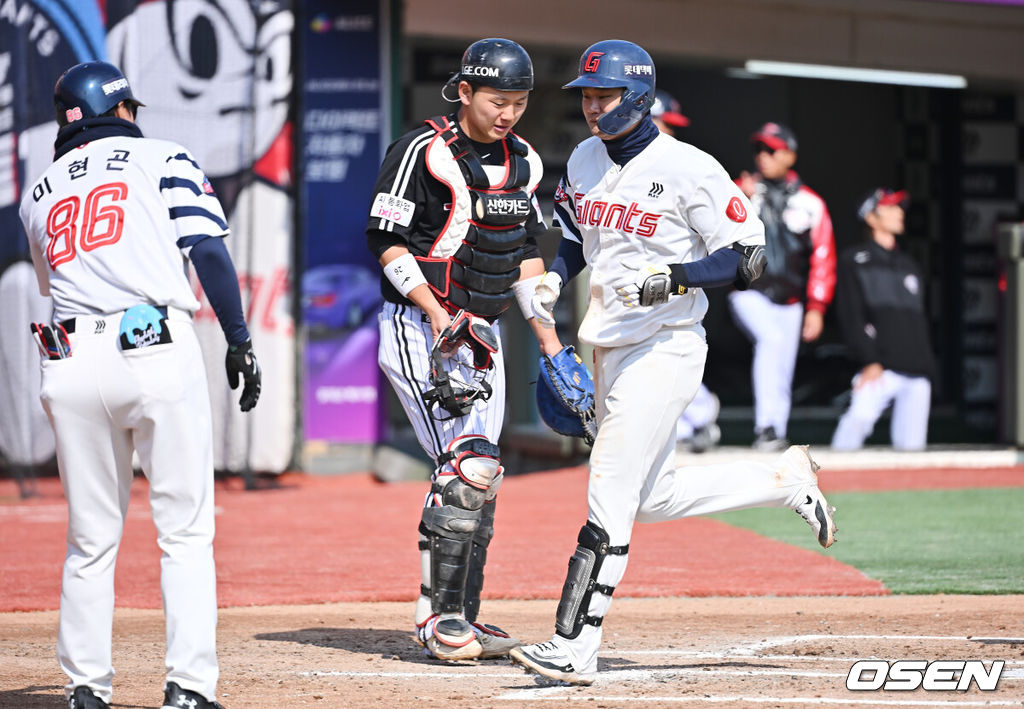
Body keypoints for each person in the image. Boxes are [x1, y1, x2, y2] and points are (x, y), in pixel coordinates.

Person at [509, 39, 838, 686]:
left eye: (604, 96)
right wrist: (552, 276)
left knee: (607, 484)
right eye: (587, 95)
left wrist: (677, 277)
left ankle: (574, 642)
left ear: (637, 97)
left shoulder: (691, 167)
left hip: (666, 346)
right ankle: (783, 479)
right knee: (650, 497)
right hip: (607, 344)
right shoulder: (582, 157)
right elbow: (577, 235)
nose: (593, 107)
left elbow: (749, 258)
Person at [19, 61, 261, 709]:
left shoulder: (37, 189)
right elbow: (207, 249)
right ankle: (187, 686)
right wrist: (239, 338)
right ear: (119, 108)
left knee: (90, 538)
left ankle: (86, 690)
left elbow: (50, 283)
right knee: (183, 529)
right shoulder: (163, 156)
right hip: (148, 341)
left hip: (67, 356)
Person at [365, 38, 561, 662]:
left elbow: (525, 253)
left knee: (483, 474)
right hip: (418, 322)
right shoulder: (421, 150)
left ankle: (463, 616)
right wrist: (436, 314)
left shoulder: (525, 161)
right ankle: (442, 619)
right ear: (466, 92)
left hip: (485, 328)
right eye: (498, 100)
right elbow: (385, 240)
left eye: (520, 102)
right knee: (467, 464)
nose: (508, 113)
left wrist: (552, 346)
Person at [729, 122, 836, 451]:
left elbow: (823, 258)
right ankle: (765, 427)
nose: (763, 156)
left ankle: (775, 431)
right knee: (771, 341)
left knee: (784, 365)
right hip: (749, 291)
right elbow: (709, 228)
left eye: (771, 150)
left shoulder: (810, 202)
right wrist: (738, 200)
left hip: (791, 300)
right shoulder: (741, 189)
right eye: (758, 149)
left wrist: (817, 308)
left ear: (790, 155)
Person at [831, 189, 936, 450]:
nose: (900, 212)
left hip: (916, 370)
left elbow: (918, 321)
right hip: (878, 369)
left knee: (912, 450)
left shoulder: (910, 264)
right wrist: (869, 360)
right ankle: (824, 479)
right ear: (871, 217)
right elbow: (850, 315)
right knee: (857, 422)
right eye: (891, 207)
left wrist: (926, 363)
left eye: (900, 207)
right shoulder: (854, 260)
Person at [650, 88, 721, 453]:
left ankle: (701, 416)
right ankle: (696, 421)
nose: (672, 133)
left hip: (674, 278)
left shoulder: (685, 169)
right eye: (666, 124)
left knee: (672, 348)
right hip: (636, 284)